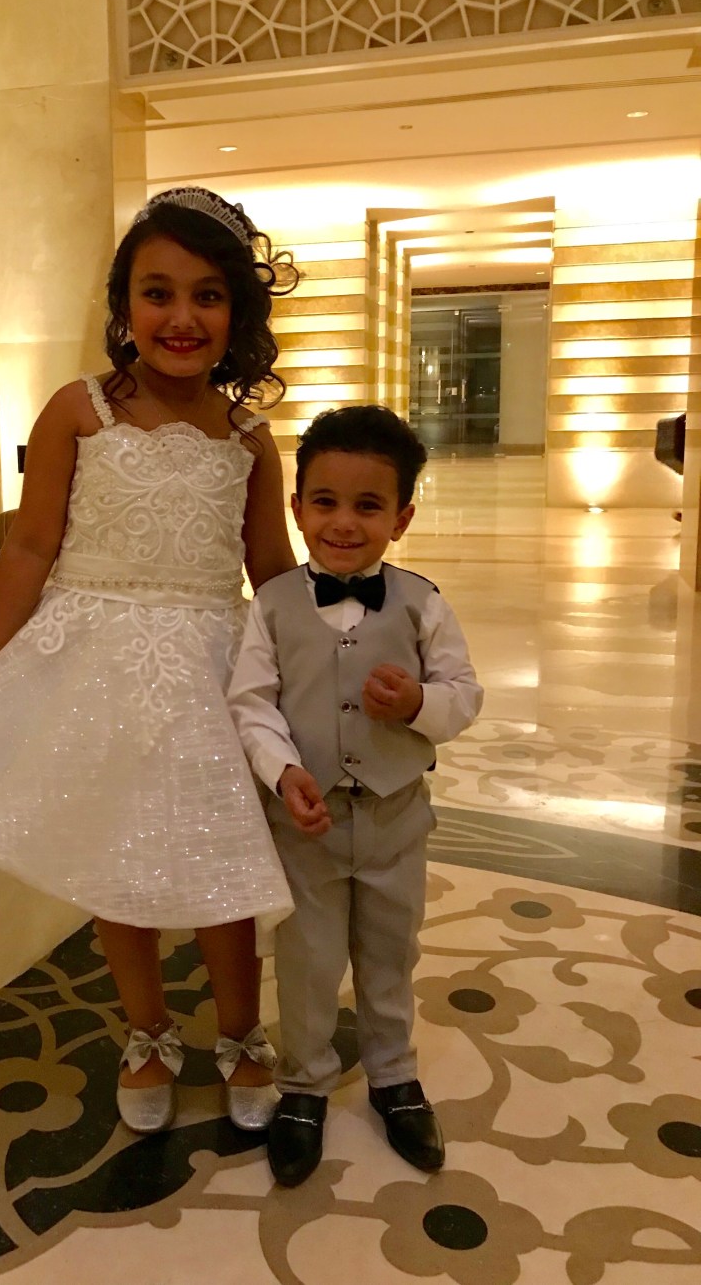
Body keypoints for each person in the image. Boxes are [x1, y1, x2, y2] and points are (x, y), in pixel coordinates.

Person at [0, 186, 298, 1136]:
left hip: (205, 669)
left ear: (238, 312)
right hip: (90, 663)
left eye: (207, 295)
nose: (181, 316)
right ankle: (147, 1029)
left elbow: (270, 568)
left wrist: (324, 664)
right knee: (111, 856)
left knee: (222, 859)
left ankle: (241, 1031)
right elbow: (31, 549)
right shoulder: (80, 411)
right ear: (123, 305)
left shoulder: (248, 439)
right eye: (157, 292)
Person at [227, 404, 483, 1184]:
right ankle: (304, 1083)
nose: (344, 522)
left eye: (368, 506)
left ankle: (393, 1075)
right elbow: (251, 705)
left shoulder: (422, 601)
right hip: (303, 824)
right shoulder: (270, 606)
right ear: (297, 508)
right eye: (326, 502)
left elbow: (464, 695)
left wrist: (418, 704)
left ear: (401, 518)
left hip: (395, 820)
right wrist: (283, 771)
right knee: (305, 959)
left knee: (390, 951)